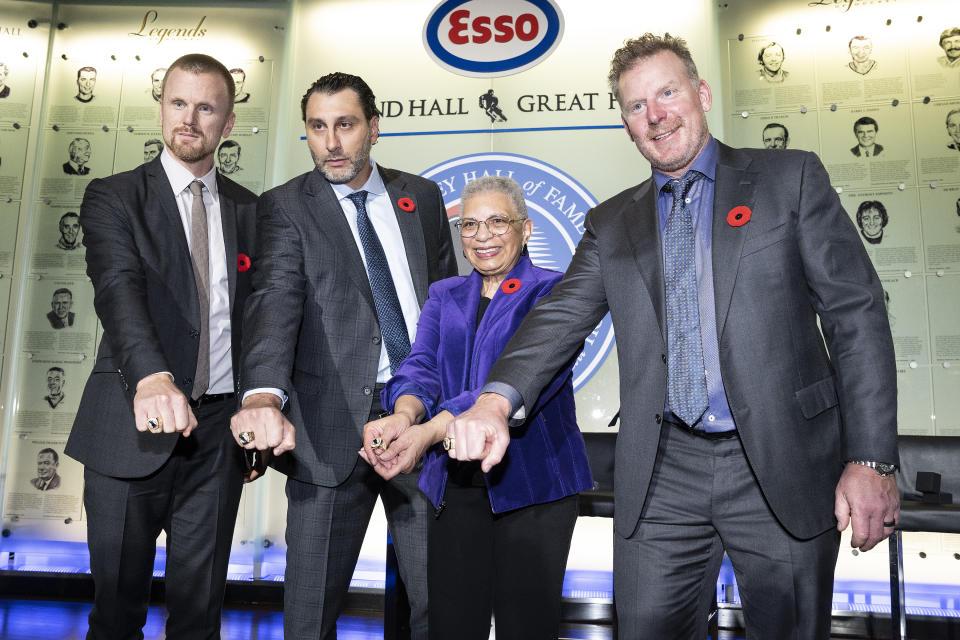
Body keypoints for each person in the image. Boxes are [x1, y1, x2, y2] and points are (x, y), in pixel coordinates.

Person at [447, 33, 899, 639]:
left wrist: (869, 458)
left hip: (781, 461)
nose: (655, 115)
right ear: (627, 125)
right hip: (663, 471)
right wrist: (495, 399)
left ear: (701, 93)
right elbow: (559, 319)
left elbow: (856, 315)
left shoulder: (788, 179)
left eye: (667, 92)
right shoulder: (612, 223)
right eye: (636, 106)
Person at [230, 71, 457, 640]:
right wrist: (262, 394)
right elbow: (274, 303)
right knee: (309, 614)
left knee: (443, 601)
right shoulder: (284, 206)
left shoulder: (421, 198)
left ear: (373, 129)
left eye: (346, 125)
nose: (331, 143)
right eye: (317, 127)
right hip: (327, 432)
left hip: (421, 418)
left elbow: (448, 303)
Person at [65, 53, 257, 640]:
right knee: (118, 613)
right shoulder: (113, 197)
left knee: (199, 617)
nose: (189, 119)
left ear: (227, 124)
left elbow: (264, 319)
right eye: (178, 103)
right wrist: (152, 377)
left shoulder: (254, 211)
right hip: (130, 424)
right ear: (160, 109)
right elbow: (118, 292)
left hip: (218, 433)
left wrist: (262, 405)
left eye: (206, 108)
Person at [360, 176, 593, 640]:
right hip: (457, 484)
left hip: (535, 488)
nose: (482, 235)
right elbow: (420, 366)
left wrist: (426, 435)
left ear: (525, 230)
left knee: (526, 626)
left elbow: (497, 384)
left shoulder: (554, 292)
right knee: (450, 623)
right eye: (469, 224)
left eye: (496, 222)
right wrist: (403, 417)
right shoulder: (445, 294)